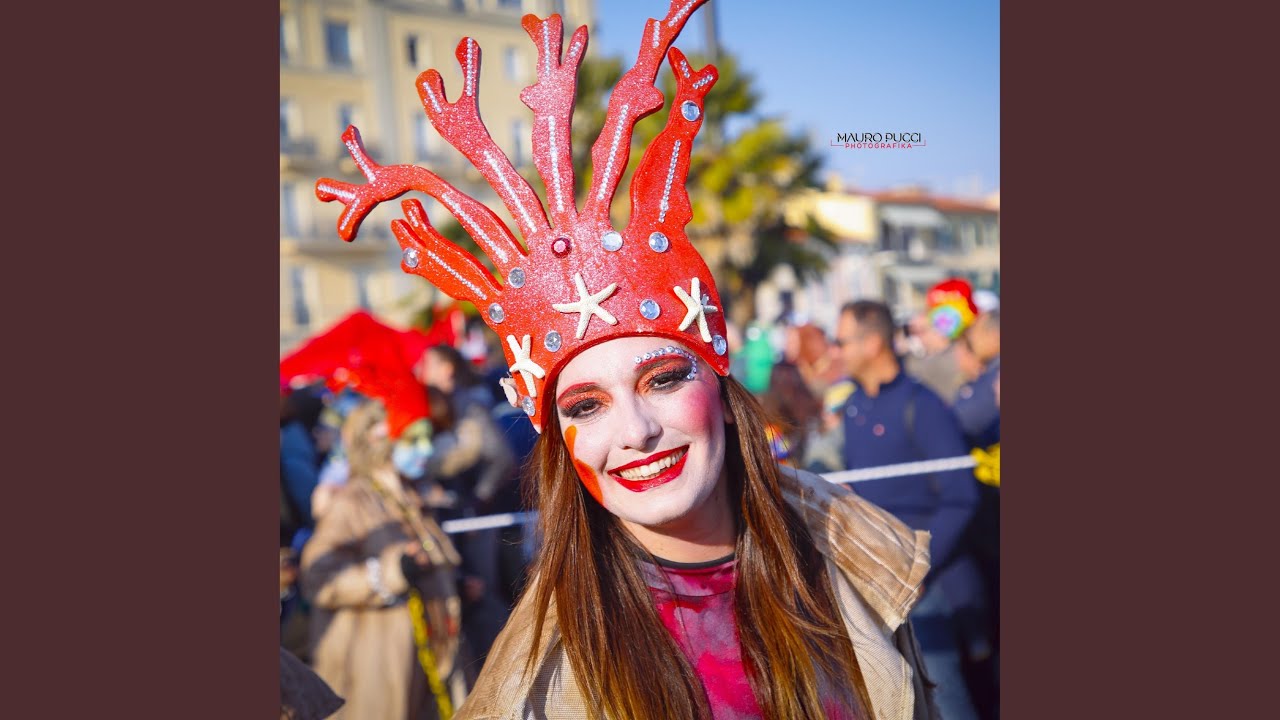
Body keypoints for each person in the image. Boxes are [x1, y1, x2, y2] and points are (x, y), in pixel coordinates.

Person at [313, 2, 939, 717]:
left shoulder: (860, 556)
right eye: (586, 405)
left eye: (664, 379)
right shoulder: (531, 690)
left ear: (720, 388)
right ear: (555, 438)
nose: (636, 430)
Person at [835, 299, 986, 720]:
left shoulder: (923, 405)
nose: (836, 351)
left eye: (842, 341)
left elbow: (961, 496)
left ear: (873, 343)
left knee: (946, 701)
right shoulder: (854, 407)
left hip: (928, 584)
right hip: (875, 577)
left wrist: (919, 568)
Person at [300, 399, 466, 720]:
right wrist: (390, 572)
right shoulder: (351, 501)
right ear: (383, 440)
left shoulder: (414, 496)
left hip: (429, 663)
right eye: (413, 439)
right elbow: (318, 578)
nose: (426, 449)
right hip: (378, 670)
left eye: (428, 438)